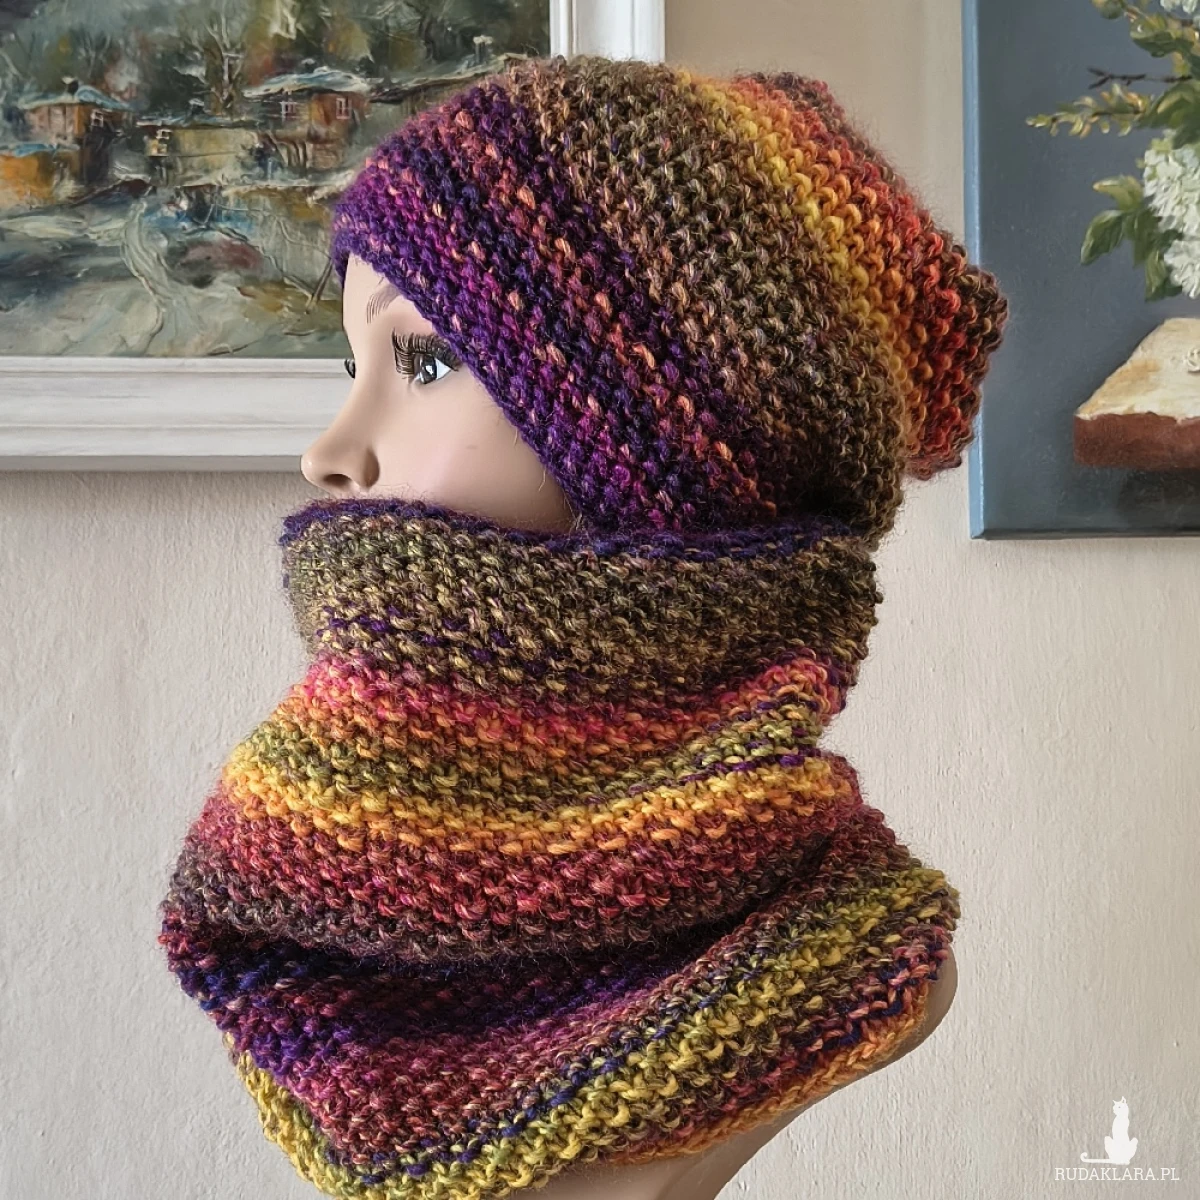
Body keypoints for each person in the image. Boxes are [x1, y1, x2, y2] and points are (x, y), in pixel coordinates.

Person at [160, 53, 1005, 1200]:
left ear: (674, 444)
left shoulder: (839, 946)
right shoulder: (294, 874)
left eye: (425, 359)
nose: (330, 452)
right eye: (353, 365)